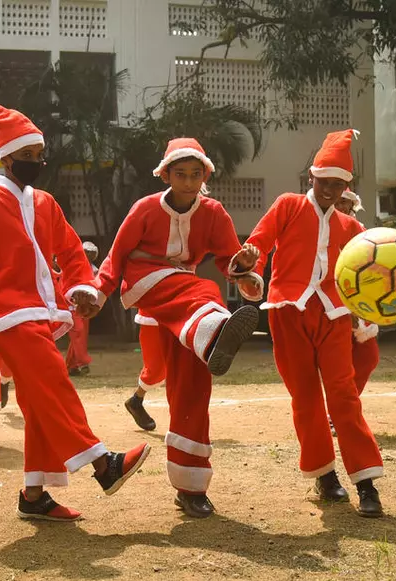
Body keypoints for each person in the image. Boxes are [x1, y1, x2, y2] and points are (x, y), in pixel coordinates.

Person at [0, 101, 150, 522]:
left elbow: (71, 250)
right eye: (27, 156)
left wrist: (82, 288)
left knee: (38, 400)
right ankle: (100, 465)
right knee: (53, 382)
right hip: (2, 314)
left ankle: (34, 495)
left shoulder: (46, 203)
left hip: (38, 311)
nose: (36, 162)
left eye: (39, 155)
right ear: (6, 157)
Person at [95, 137, 262, 518]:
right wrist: (100, 292)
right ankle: (215, 331)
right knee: (203, 289)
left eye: (195, 175)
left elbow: (227, 260)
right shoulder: (144, 209)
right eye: (180, 174)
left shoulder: (215, 212)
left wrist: (244, 268)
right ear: (166, 175)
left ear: (205, 175)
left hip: (185, 309)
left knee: (192, 386)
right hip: (148, 283)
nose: (188, 182)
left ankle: (191, 487)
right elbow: (117, 255)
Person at [232, 129, 384, 518]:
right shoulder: (287, 206)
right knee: (306, 397)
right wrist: (250, 260)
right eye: (323, 182)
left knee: (344, 395)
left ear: (347, 187)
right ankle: (325, 474)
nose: (330, 191)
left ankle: (365, 481)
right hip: (287, 311)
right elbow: (260, 244)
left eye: (338, 185)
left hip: (333, 315)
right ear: (310, 178)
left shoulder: (353, 230)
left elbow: (367, 277)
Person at [329, 189, 381, 436]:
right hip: (327, 304)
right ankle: (336, 414)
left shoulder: (360, 233)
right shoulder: (319, 228)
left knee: (368, 358)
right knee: (338, 365)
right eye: (337, 202)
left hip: (358, 305)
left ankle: (339, 412)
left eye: (346, 203)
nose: (341, 207)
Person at [123, 309, 166, 431]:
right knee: (156, 369)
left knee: (185, 362)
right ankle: (136, 400)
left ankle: (185, 417)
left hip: (185, 309)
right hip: (153, 312)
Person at [66, 241, 99, 376]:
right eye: (86, 252)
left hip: (86, 306)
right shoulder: (73, 266)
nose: (89, 255)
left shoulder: (95, 270)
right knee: (78, 331)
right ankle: (83, 362)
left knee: (80, 335)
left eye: (91, 253)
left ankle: (71, 366)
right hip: (71, 305)